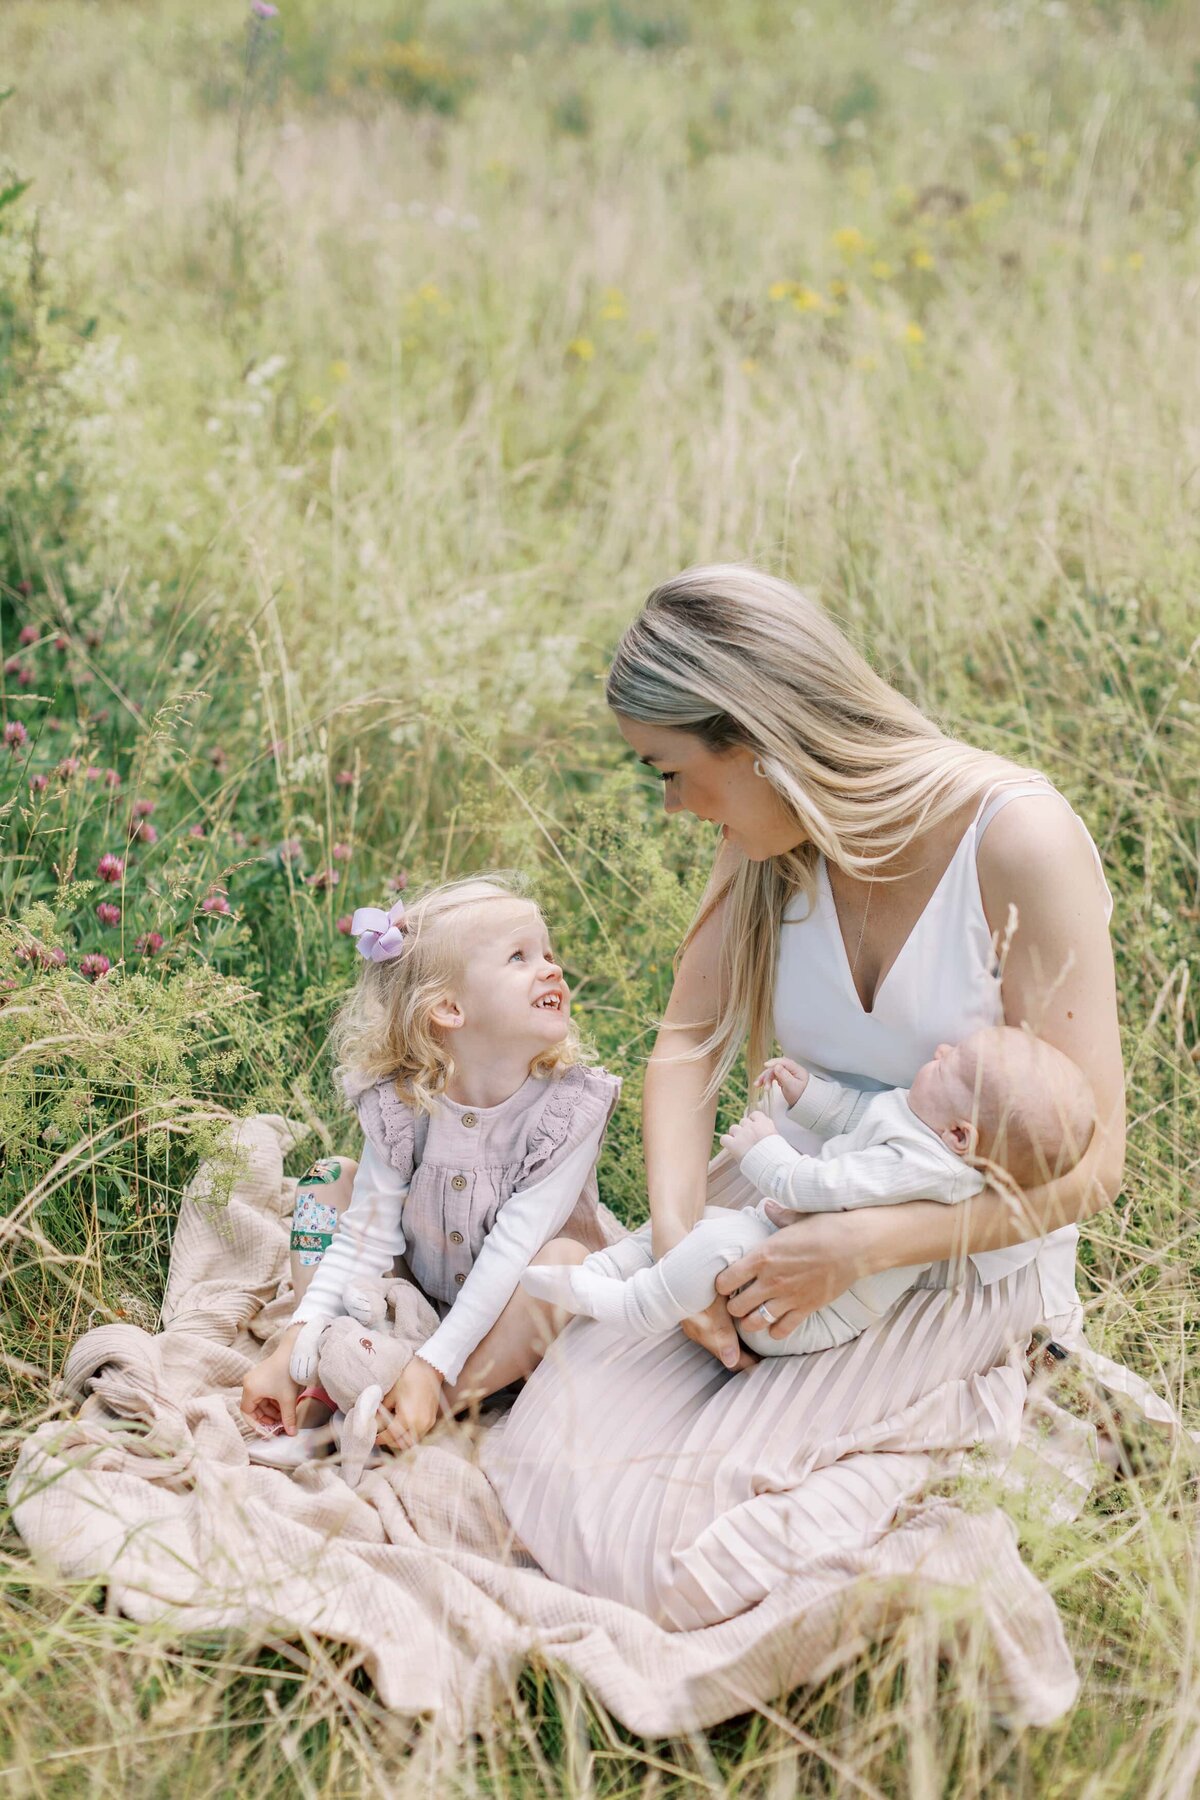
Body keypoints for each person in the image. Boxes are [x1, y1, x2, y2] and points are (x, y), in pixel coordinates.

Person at [483, 563, 1124, 1631]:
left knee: (678, 1555)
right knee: (545, 1462)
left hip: (949, 1262)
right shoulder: (774, 838)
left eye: (673, 772)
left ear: (757, 741)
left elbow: (1095, 1166)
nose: (676, 808)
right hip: (770, 1219)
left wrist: (870, 1245)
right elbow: (687, 1043)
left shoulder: (1016, 840)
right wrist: (685, 1245)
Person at [239, 873, 621, 1455]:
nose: (552, 968)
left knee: (567, 1267)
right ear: (448, 1008)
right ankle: (321, 1358)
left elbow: (513, 1250)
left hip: (505, 1325)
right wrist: (293, 1341)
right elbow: (366, 1232)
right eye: (520, 957)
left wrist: (433, 1367)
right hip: (411, 1300)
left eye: (548, 952)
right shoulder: (405, 1101)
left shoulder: (569, 1110)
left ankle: (423, 1402)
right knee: (327, 1180)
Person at [520, 1027, 1096, 1354]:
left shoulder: (930, 1169)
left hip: (803, 1309)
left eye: (952, 1068)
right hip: (788, 1247)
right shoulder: (925, 1130)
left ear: (960, 1135)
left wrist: (764, 1150)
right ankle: (611, 1267)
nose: (941, 1051)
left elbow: (824, 1185)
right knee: (702, 1228)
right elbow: (858, 1116)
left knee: (722, 1240)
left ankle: (635, 1306)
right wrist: (808, 1097)